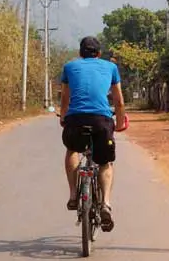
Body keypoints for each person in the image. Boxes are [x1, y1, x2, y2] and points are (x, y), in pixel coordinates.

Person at [59, 36, 127, 232]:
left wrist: (63, 118)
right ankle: (105, 203)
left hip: (76, 120)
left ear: (80, 54)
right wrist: (120, 123)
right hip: (101, 121)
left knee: (72, 149)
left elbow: (65, 98)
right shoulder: (111, 68)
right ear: (99, 53)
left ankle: (73, 195)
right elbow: (119, 101)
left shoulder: (70, 67)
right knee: (105, 162)